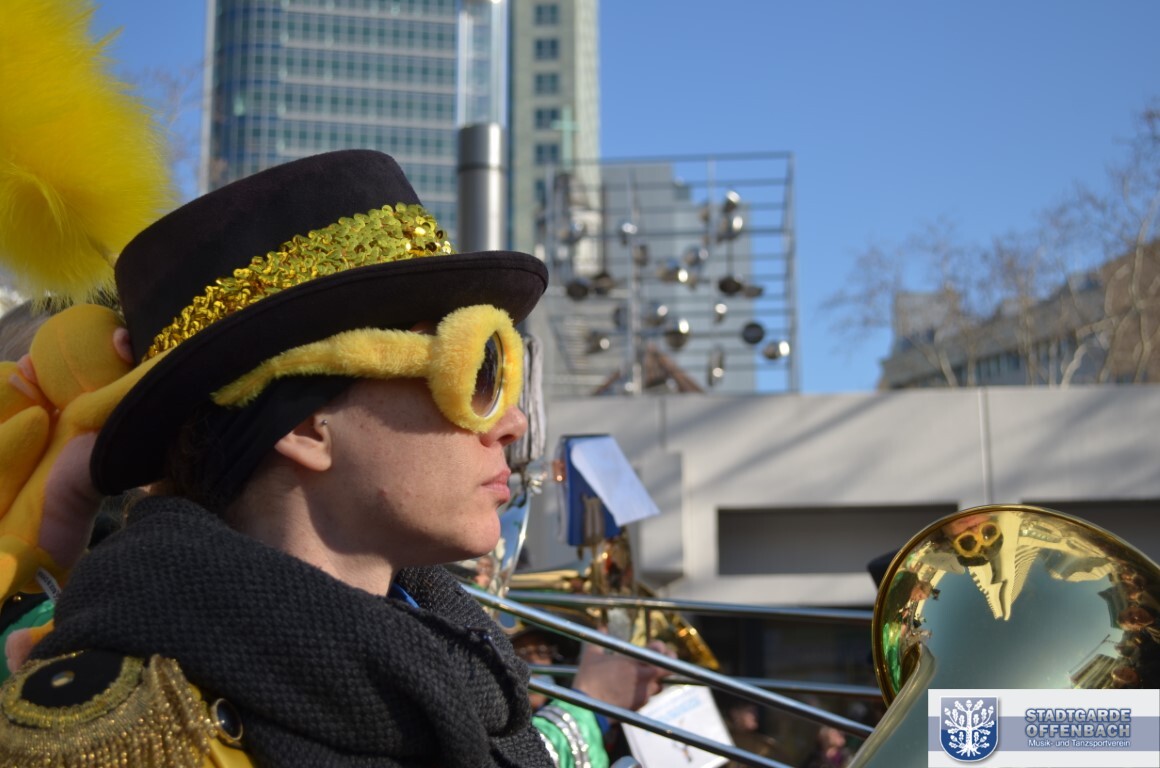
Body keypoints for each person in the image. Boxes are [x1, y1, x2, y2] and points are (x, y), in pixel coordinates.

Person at [0, 150, 660, 767]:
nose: (513, 424)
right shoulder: (124, 739)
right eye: (475, 371)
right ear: (305, 425)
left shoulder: (474, 687)